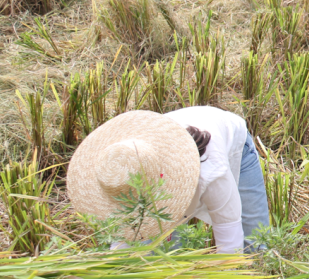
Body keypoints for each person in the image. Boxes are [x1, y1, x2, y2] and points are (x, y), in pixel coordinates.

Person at [67, 106, 270, 252]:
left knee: (254, 244)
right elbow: (125, 246)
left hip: (234, 145)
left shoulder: (212, 173)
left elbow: (230, 244)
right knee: (162, 252)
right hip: (157, 159)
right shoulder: (119, 172)